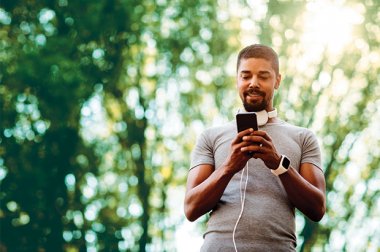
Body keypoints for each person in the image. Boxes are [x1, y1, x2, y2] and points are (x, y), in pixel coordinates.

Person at [184, 44, 326, 251]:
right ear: (237, 80)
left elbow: (317, 208)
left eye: (263, 76)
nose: (253, 83)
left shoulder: (303, 138)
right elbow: (191, 208)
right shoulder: (210, 137)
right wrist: (229, 167)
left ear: (277, 81)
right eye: (246, 76)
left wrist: (279, 165)